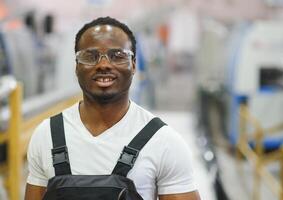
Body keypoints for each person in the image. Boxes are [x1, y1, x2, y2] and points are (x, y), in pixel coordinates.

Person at [25, 16, 201, 200]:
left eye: (118, 56)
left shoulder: (164, 142)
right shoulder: (46, 136)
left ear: (133, 65)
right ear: (76, 67)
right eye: (90, 56)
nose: (103, 64)